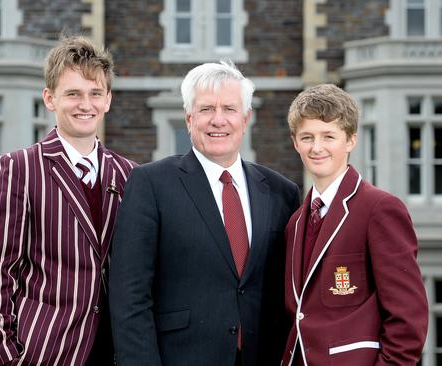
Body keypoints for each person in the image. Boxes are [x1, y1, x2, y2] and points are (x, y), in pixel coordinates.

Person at [109, 60, 300, 366]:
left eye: (229, 109)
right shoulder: (150, 184)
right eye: (207, 109)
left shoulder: (282, 192)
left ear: (246, 118)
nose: (218, 120)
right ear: (189, 118)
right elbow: (129, 297)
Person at [0, 35, 136, 365]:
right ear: (50, 98)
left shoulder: (131, 174)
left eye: (94, 94)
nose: (84, 104)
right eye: (72, 93)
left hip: (119, 353)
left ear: (107, 100)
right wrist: (6, 358)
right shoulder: (19, 169)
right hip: (48, 352)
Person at [281, 84, 428, 366]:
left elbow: (408, 320)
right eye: (307, 137)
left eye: (329, 136)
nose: (317, 147)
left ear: (351, 140)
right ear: (295, 142)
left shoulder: (380, 209)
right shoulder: (295, 222)